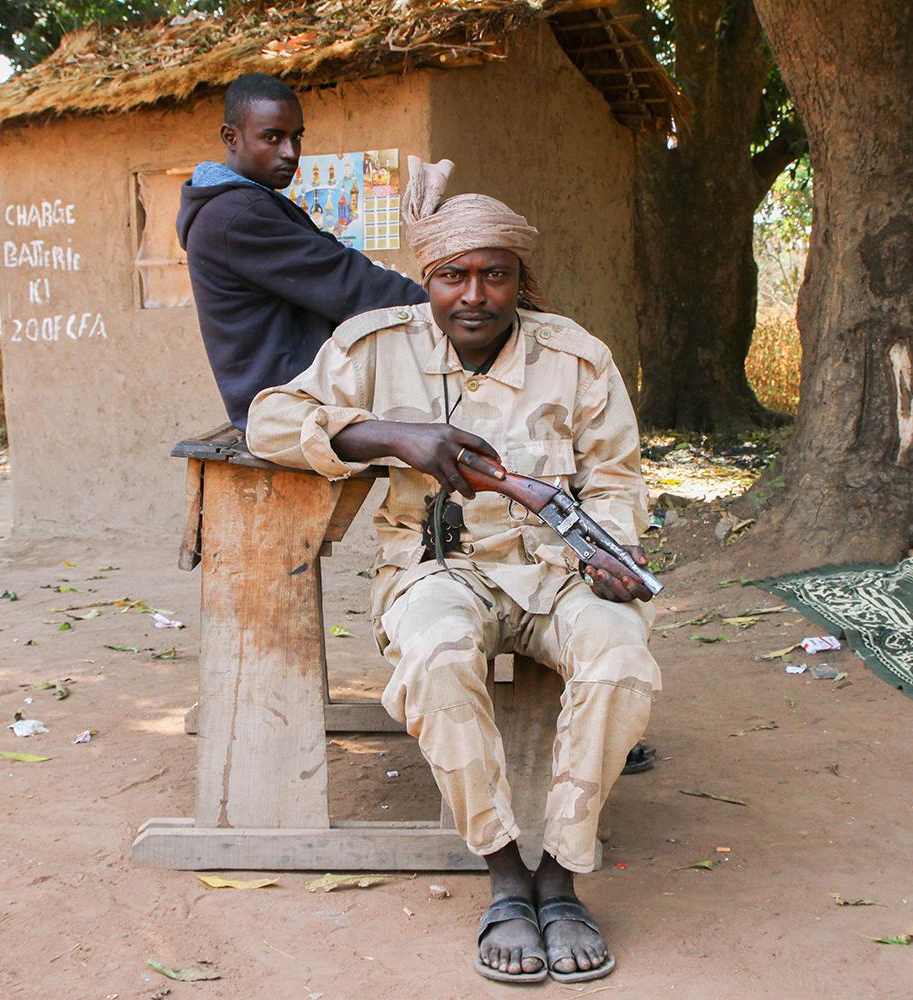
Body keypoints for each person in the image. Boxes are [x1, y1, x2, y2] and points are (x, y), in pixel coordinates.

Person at [247, 158, 660, 985]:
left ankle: (561, 877)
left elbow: (614, 479)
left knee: (621, 657)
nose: (473, 295)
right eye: (451, 276)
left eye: (494, 276)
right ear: (426, 280)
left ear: (518, 280)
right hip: (437, 570)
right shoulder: (375, 345)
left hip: (559, 575)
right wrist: (393, 436)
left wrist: (609, 553)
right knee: (434, 657)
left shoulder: (576, 358)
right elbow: (270, 418)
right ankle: (506, 875)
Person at [175, 72, 426, 430]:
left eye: (296, 137)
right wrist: (438, 305)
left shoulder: (252, 202)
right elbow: (346, 282)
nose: (290, 152)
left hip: (300, 391)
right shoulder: (236, 215)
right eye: (272, 138)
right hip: (288, 404)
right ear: (231, 137)